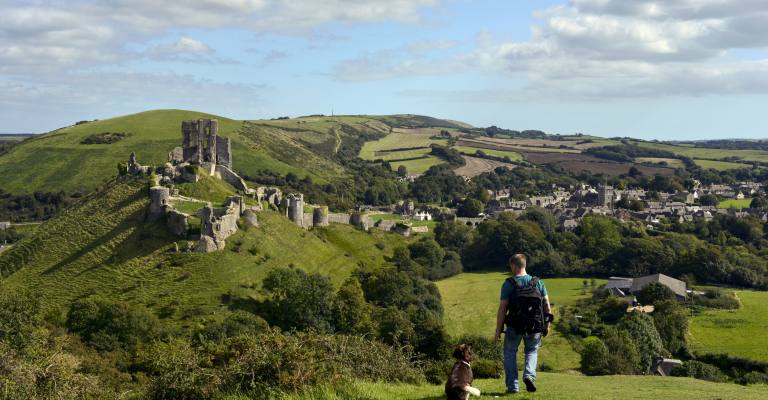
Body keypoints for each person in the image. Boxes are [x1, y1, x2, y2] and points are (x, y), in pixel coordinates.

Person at [494, 254, 552, 393]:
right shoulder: (538, 282)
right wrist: (547, 325)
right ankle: (529, 375)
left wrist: (498, 330)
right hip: (535, 326)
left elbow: (503, 308)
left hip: (514, 326)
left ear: (513, 265)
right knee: (532, 351)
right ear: (524, 265)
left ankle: (513, 386)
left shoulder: (509, 284)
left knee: (510, 353)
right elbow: (547, 306)